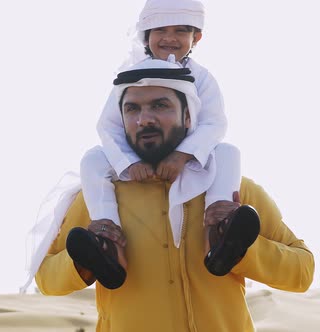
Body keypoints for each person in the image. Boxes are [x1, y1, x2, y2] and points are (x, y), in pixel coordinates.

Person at [35, 58, 315, 331]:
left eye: (160, 105)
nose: (144, 119)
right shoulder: (99, 197)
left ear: (188, 116)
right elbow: (46, 278)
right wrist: (85, 261)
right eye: (132, 109)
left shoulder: (231, 190)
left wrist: (243, 250)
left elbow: (302, 272)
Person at [75, 0, 242, 288]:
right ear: (146, 36)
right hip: (137, 161)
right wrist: (130, 163)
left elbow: (215, 123)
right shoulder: (129, 76)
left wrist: (181, 156)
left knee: (228, 152)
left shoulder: (204, 78)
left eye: (180, 30)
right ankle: (109, 245)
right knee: (92, 159)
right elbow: (109, 126)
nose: (169, 38)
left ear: (196, 37)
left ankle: (218, 233)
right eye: (160, 30)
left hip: (188, 162)